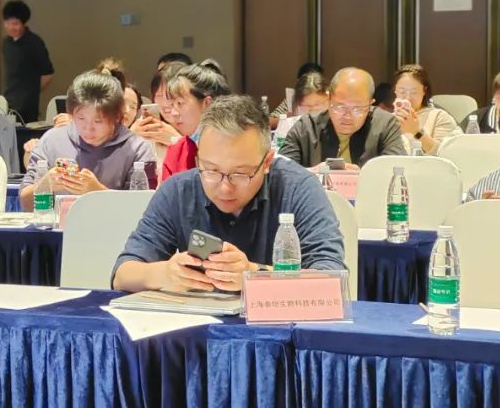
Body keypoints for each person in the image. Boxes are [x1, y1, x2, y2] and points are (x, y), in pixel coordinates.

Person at [112, 95, 344, 293]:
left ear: (266, 163)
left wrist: (254, 275)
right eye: (211, 171)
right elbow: (122, 274)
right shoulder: (178, 190)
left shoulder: (298, 188)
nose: (225, 188)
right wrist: (164, 273)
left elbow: (332, 278)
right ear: (198, 159)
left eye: (240, 174)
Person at [20, 71, 155, 209]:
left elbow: (143, 209)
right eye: (81, 118)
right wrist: (45, 185)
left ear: (117, 116)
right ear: (71, 113)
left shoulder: (137, 149)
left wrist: (96, 192)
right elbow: (25, 203)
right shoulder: (52, 140)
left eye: (98, 121)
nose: (88, 128)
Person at [279, 67, 406, 170]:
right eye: (340, 107)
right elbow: (280, 173)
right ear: (328, 99)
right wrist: (313, 173)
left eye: (357, 109)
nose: (347, 116)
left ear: (370, 104)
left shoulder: (385, 124)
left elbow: (398, 169)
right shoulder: (306, 126)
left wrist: (364, 177)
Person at [161, 61, 232, 181]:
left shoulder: (236, 146)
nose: (174, 113)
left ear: (207, 104)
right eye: (172, 105)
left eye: (180, 103)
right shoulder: (176, 151)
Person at [1, 0, 54, 123]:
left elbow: (48, 74)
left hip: (28, 105)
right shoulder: (6, 43)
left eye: (15, 23)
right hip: (9, 100)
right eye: (8, 23)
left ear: (24, 23)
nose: (11, 27)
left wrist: (32, 92)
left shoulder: (34, 43)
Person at [391, 64, 462, 155]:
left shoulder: (439, 117)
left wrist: (416, 131)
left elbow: (445, 155)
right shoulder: (387, 121)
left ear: (424, 90)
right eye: (402, 92)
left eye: (413, 92)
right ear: (395, 91)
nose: (408, 97)